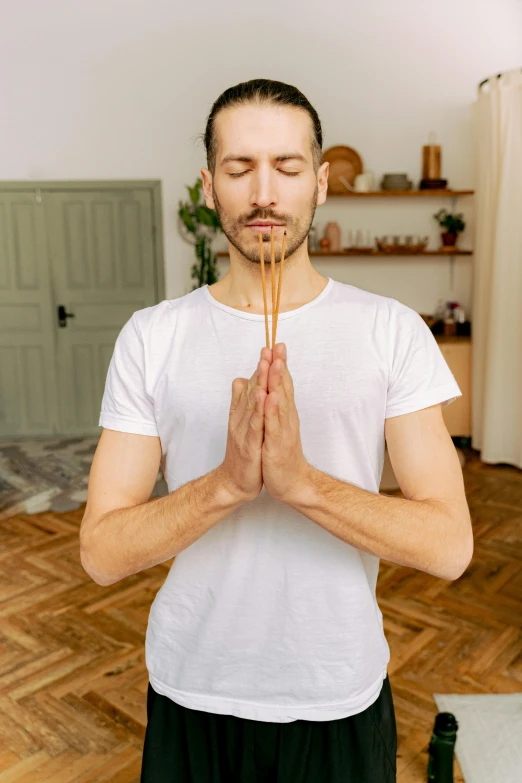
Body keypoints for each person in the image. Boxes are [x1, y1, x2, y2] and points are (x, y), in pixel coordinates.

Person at [80, 79, 473, 783]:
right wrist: (227, 486)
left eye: (288, 168)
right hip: (191, 690)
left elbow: (449, 546)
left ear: (321, 183)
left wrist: (302, 484)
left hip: (338, 694)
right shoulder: (152, 337)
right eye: (239, 168)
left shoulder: (390, 331)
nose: (265, 192)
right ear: (209, 186)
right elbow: (102, 552)